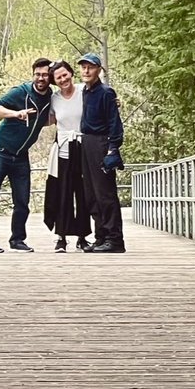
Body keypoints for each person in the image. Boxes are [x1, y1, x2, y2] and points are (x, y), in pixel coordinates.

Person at [0, 57, 53, 253]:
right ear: (33, 74)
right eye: (37, 74)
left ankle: (17, 240)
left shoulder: (51, 97)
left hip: (21, 155)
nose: (40, 78)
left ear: (50, 76)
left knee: (22, 200)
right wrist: (15, 114)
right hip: (0, 150)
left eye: (44, 74)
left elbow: (68, 98)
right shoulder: (21, 92)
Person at [43, 61, 93, 252]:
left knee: (83, 194)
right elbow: (47, 119)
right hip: (64, 149)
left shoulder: (84, 91)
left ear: (72, 73)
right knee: (62, 194)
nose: (63, 79)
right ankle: (61, 237)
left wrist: (115, 102)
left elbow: (101, 101)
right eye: (58, 77)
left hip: (83, 148)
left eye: (65, 75)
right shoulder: (54, 99)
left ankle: (82, 237)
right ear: (55, 81)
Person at [78, 52, 126, 253]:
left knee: (105, 193)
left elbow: (115, 123)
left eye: (90, 67)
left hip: (101, 142)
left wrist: (112, 149)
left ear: (99, 70)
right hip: (86, 143)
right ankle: (101, 237)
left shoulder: (106, 93)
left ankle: (115, 240)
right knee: (91, 195)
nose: (86, 70)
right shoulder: (85, 92)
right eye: (83, 67)